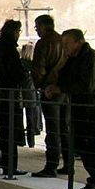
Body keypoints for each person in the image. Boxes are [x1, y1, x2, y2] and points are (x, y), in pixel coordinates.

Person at [47, 29, 95, 189]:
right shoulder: (73, 58)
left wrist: (60, 88)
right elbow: (63, 77)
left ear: (78, 42)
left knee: (92, 143)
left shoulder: (91, 57)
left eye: (67, 43)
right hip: (81, 107)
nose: (64, 47)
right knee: (81, 143)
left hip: (94, 107)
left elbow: (87, 85)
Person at [0, 19, 29, 174]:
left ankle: (7, 164)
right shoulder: (9, 48)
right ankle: (10, 166)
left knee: (5, 132)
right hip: (9, 96)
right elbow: (17, 74)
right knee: (11, 132)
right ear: (14, 32)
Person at [30, 14, 68, 178]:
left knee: (52, 130)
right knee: (64, 128)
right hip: (64, 91)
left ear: (43, 26)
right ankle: (68, 164)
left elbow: (39, 68)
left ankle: (51, 165)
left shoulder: (44, 43)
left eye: (37, 27)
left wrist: (39, 84)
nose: (36, 30)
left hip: (49, 90)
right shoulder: (63, 41)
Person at [18, 42, 42, 148]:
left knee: (19, 118)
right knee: (30, 119)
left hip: (20, 93)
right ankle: (31, 142)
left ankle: (21, 140)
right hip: (31, 94)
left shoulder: (19, 64)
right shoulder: (32, 65)